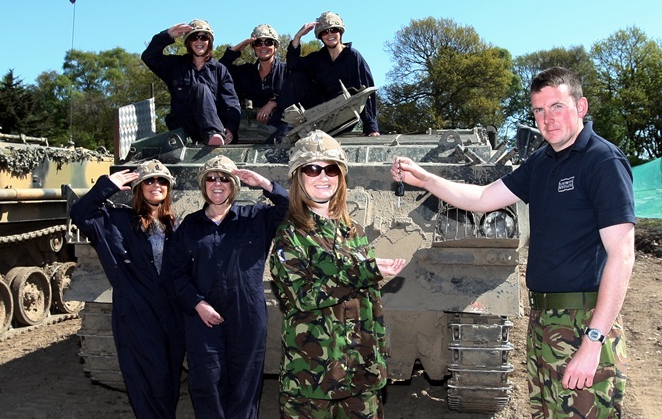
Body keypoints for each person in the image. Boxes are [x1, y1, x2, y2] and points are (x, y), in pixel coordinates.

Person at [391, 67, 635, 417]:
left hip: (584, 320)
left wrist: (593, 340)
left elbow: (622, 256)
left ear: (580, 106)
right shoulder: (543, 161)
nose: (547, 119)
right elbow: (482, 198)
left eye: (556, 107)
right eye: (538, 110)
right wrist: (427, 179)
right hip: (546, 320)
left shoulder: (602, 160)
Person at [270, 130, 406, 418]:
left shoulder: (352, 230)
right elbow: (301, 297)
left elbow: (372, 304)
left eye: (331, 169)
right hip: (313, 379)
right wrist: (365, 271)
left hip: (361, 373)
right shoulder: (290, 236)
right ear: (298, 177)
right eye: (312, 169)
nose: (323, 177)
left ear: (341, 176)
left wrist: (378, 358)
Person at [164, 155, 288, 418]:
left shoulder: (255, 217)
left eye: (224, 179)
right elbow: (175, 272)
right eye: (211, 178)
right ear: (203, 185)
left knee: (245, 384)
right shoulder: (190, 226)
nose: (217, 184)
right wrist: (197, 303)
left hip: (247, 315)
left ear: (234, 185)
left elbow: (291, 206)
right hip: (203, 317)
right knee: (206, 382)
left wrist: (263, 183)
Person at [69, 160, 185, 418]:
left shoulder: (174, 225)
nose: (156, 185)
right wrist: (107, 186)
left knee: (168, 379)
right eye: (149, 180)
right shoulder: (117, 221)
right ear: (138, 187)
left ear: (169, 188)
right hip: (136, 314)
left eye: (162, 180)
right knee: (145, 380)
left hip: (171, 314)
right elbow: (80, 214)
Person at [268, 11, 380, 141]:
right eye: (325, 32)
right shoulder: (318, 58)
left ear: (340, 32)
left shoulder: (352, 57)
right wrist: (298, 36)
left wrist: (371, 126)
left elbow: (366, 90)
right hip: (320, 110)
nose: (330, 34)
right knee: (296, 77)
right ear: (320, 36)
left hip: (343, 113)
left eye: (334, 30)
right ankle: (276, 124)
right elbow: (293, 64)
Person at [142, 19, 241, 146]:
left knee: (202, 89)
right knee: (201, 88)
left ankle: (213, 135)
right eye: (194, 37)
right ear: (188, 42)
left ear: (209, 41)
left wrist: (231, 128)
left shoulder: (219, 70)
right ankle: (213, 134)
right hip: (183, 127)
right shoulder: (175, 66)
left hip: (214, 127)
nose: (199, 41)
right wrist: (167, 35)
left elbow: (231, 103)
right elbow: (149, 57)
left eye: (204, 37)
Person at [219, 24, 289, 144]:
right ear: (253, 47)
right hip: (246, 128)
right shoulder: (246, 72)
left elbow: (298, 94)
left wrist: (274, 103)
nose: (263, 46)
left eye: (268, 42)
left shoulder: (287, 71)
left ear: (275, 47)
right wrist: (237, 49)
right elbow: (220, 70)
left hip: (280, 129)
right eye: (258, 43)